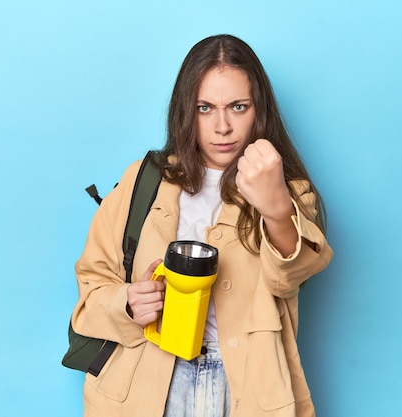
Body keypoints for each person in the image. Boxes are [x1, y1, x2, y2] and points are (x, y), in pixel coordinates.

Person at [71, 34, 333, 417]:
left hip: (243, 387)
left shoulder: (288, 191)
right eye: (205, 108)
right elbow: (90, 290)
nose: (222, 126)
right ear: (185, 111)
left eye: (238, 107)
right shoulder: (142, 182)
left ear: (259, 110)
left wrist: (277, 207)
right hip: (147, 382)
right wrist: (128, 303)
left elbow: (289, 277)